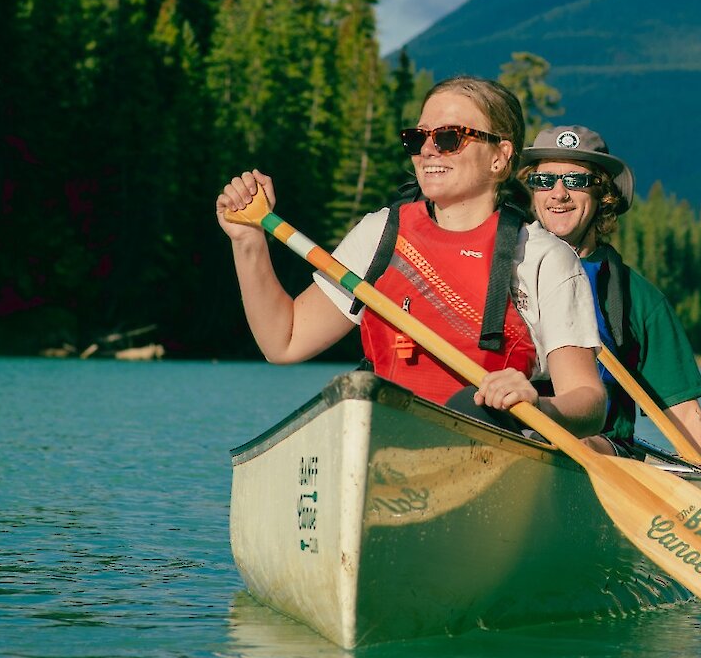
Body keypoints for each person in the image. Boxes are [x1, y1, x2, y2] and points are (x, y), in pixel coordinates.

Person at [213, 76, 608, 436]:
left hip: (490, 447)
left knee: (468, 409)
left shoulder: (543, 257)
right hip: (382, 436)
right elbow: (285, 341)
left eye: (450, 137)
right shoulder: (381, 233)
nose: (428, 150)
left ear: (500, 156)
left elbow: (587, 400)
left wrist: (536, 404)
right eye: (418, 138)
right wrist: (247, 240)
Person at [519, 124, 701, 523]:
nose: (558, 194)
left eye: (577, 181)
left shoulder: (640, 300)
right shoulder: (498, 272)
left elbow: (685, 415)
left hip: (598, 450)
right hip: (508, 431)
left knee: (557, 441)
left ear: (603, 194)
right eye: (544, 180)